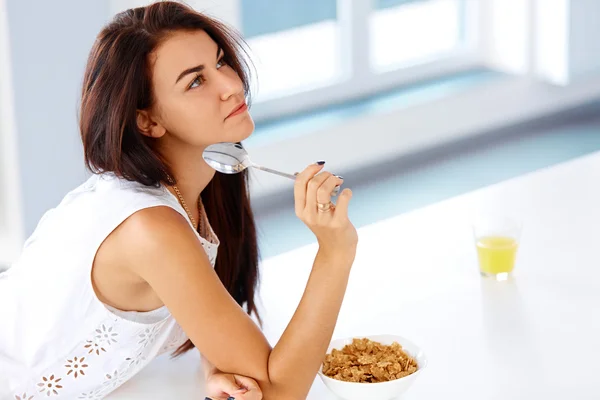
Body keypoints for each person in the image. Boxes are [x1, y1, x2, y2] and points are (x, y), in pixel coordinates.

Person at [0, 2, 357, 399]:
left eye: (221, 62)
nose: (231, 85)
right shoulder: (149, 228)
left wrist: (215, 363)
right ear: (147, 121)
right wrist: (334, 251)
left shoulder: (194, 191)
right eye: (195, 82)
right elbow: (279, 394)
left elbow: (209, 312)